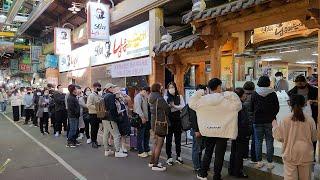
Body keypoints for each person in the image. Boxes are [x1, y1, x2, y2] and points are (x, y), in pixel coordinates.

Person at [189, 78, 242, 180]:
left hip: (208, 130)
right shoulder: (226, 100)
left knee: (208, 152)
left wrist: (201, 91)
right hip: (223, 131)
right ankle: (216, 176)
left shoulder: (203, 100)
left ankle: (203, 173)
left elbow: (191, 103)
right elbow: (238, 106)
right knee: (219, 154)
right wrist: (228, 93)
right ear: (219, 86)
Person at [273, 94, 317, 180]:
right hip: (306, 154)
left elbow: (279, 137)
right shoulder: (310, 120)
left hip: (290, 153)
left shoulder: (285, 120)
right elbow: (314, 138)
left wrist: (274, 127)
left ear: (289, 104)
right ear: (304, 104)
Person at [251, 76, 279, 169]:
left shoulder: (255, 94)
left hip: (257, 121)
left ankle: (259, 162)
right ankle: (270, 163)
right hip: (269, 121)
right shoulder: (273, 94)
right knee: (270, 141)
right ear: (268, 83)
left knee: (258, 141)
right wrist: (272, 116)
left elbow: (251, 108)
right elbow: (276, 108)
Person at [288, 75, 318, 160]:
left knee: (312, 136)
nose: (300, 85)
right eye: (298, 84)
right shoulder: (292, 92)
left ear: (305, 82)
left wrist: (314, 102)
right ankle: (300, 155)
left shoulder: (315, 90)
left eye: (301, 83)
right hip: (297, 116)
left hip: (311, 115)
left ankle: (312, 155)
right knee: (299, 136)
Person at [148, 83, 170, 171]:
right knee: (159, 144)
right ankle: (155, 165)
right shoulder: (160, 98)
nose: (162, 89)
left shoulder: (151, 97)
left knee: (155, 143)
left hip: (154, 123)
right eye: (161, 88)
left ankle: (152, 162)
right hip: (160, 123)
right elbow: (167, 110)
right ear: (158, 89)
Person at [228, 88, 250, 178]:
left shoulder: (232, 105)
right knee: (239, 153)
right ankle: (238, 171)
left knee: (234, 151)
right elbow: (244, 121)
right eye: (244, 94)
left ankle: (231, 170)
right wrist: (248, 131)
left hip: (233, 131)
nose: (246, 96)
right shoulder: (241, 106)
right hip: (241, 132)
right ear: (240, 95)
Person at [102, 83, 127, 158]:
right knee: (117, 135)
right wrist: (117, 117)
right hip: (110, 119)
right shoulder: (111, 96)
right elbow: (112, 108)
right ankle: (118, 151)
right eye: (112, 87)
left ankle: (106, 150)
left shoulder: (104, 95)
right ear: (109, 88)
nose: (113, 88)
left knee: (106, 134)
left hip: (104, 118)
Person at [164, 82, 185, 165]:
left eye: (173, 87)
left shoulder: (179, 96)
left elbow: (183, 106)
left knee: (178, 139)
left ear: (175, 88)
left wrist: (174, 106)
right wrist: (170, 106)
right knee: (169, 139)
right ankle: (169, 157)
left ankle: (178, 156)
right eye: (170, 87)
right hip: (169, 120)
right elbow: (165, 108)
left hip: (177, 119)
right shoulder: (165, 97)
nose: (171, 89)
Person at [190, 84, 207, 173]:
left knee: (200, 147)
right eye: (202, 91)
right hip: (197, 129)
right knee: (196, 148)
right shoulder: (194, 101)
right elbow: (193, 118)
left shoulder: (202, 101)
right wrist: (196, 130)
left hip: (202, 128)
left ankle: (199, 164)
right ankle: (197, 166)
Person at [134, 87, 151, 158]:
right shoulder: (138, 97)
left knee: (147, 134)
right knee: (140, 135)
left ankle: (146, 149)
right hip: (141, 119)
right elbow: (138, 108)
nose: (148, 94)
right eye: (147, 93)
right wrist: (142, 117)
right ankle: (140, 151)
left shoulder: (144, 97)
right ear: (144, 91)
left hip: (146, 119)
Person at [243, 81, 256, 163]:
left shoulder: (242, 96)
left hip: (244, 121)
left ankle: (244, 155)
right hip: (254, 121)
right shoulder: (256, 96)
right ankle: (254, 157)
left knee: (245, 139)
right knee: (255, 140)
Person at [87, 82, 102, 148]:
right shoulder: (91, 95)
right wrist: (97, 107)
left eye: (100, 86)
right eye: (98, 87)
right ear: (94, 87)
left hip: (98, 114)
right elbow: (89, 105)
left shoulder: (98, 95)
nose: (99, 88)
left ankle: (95, 140)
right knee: (93, 128)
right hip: (92, 114)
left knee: (97, 128)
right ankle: (93, 142)